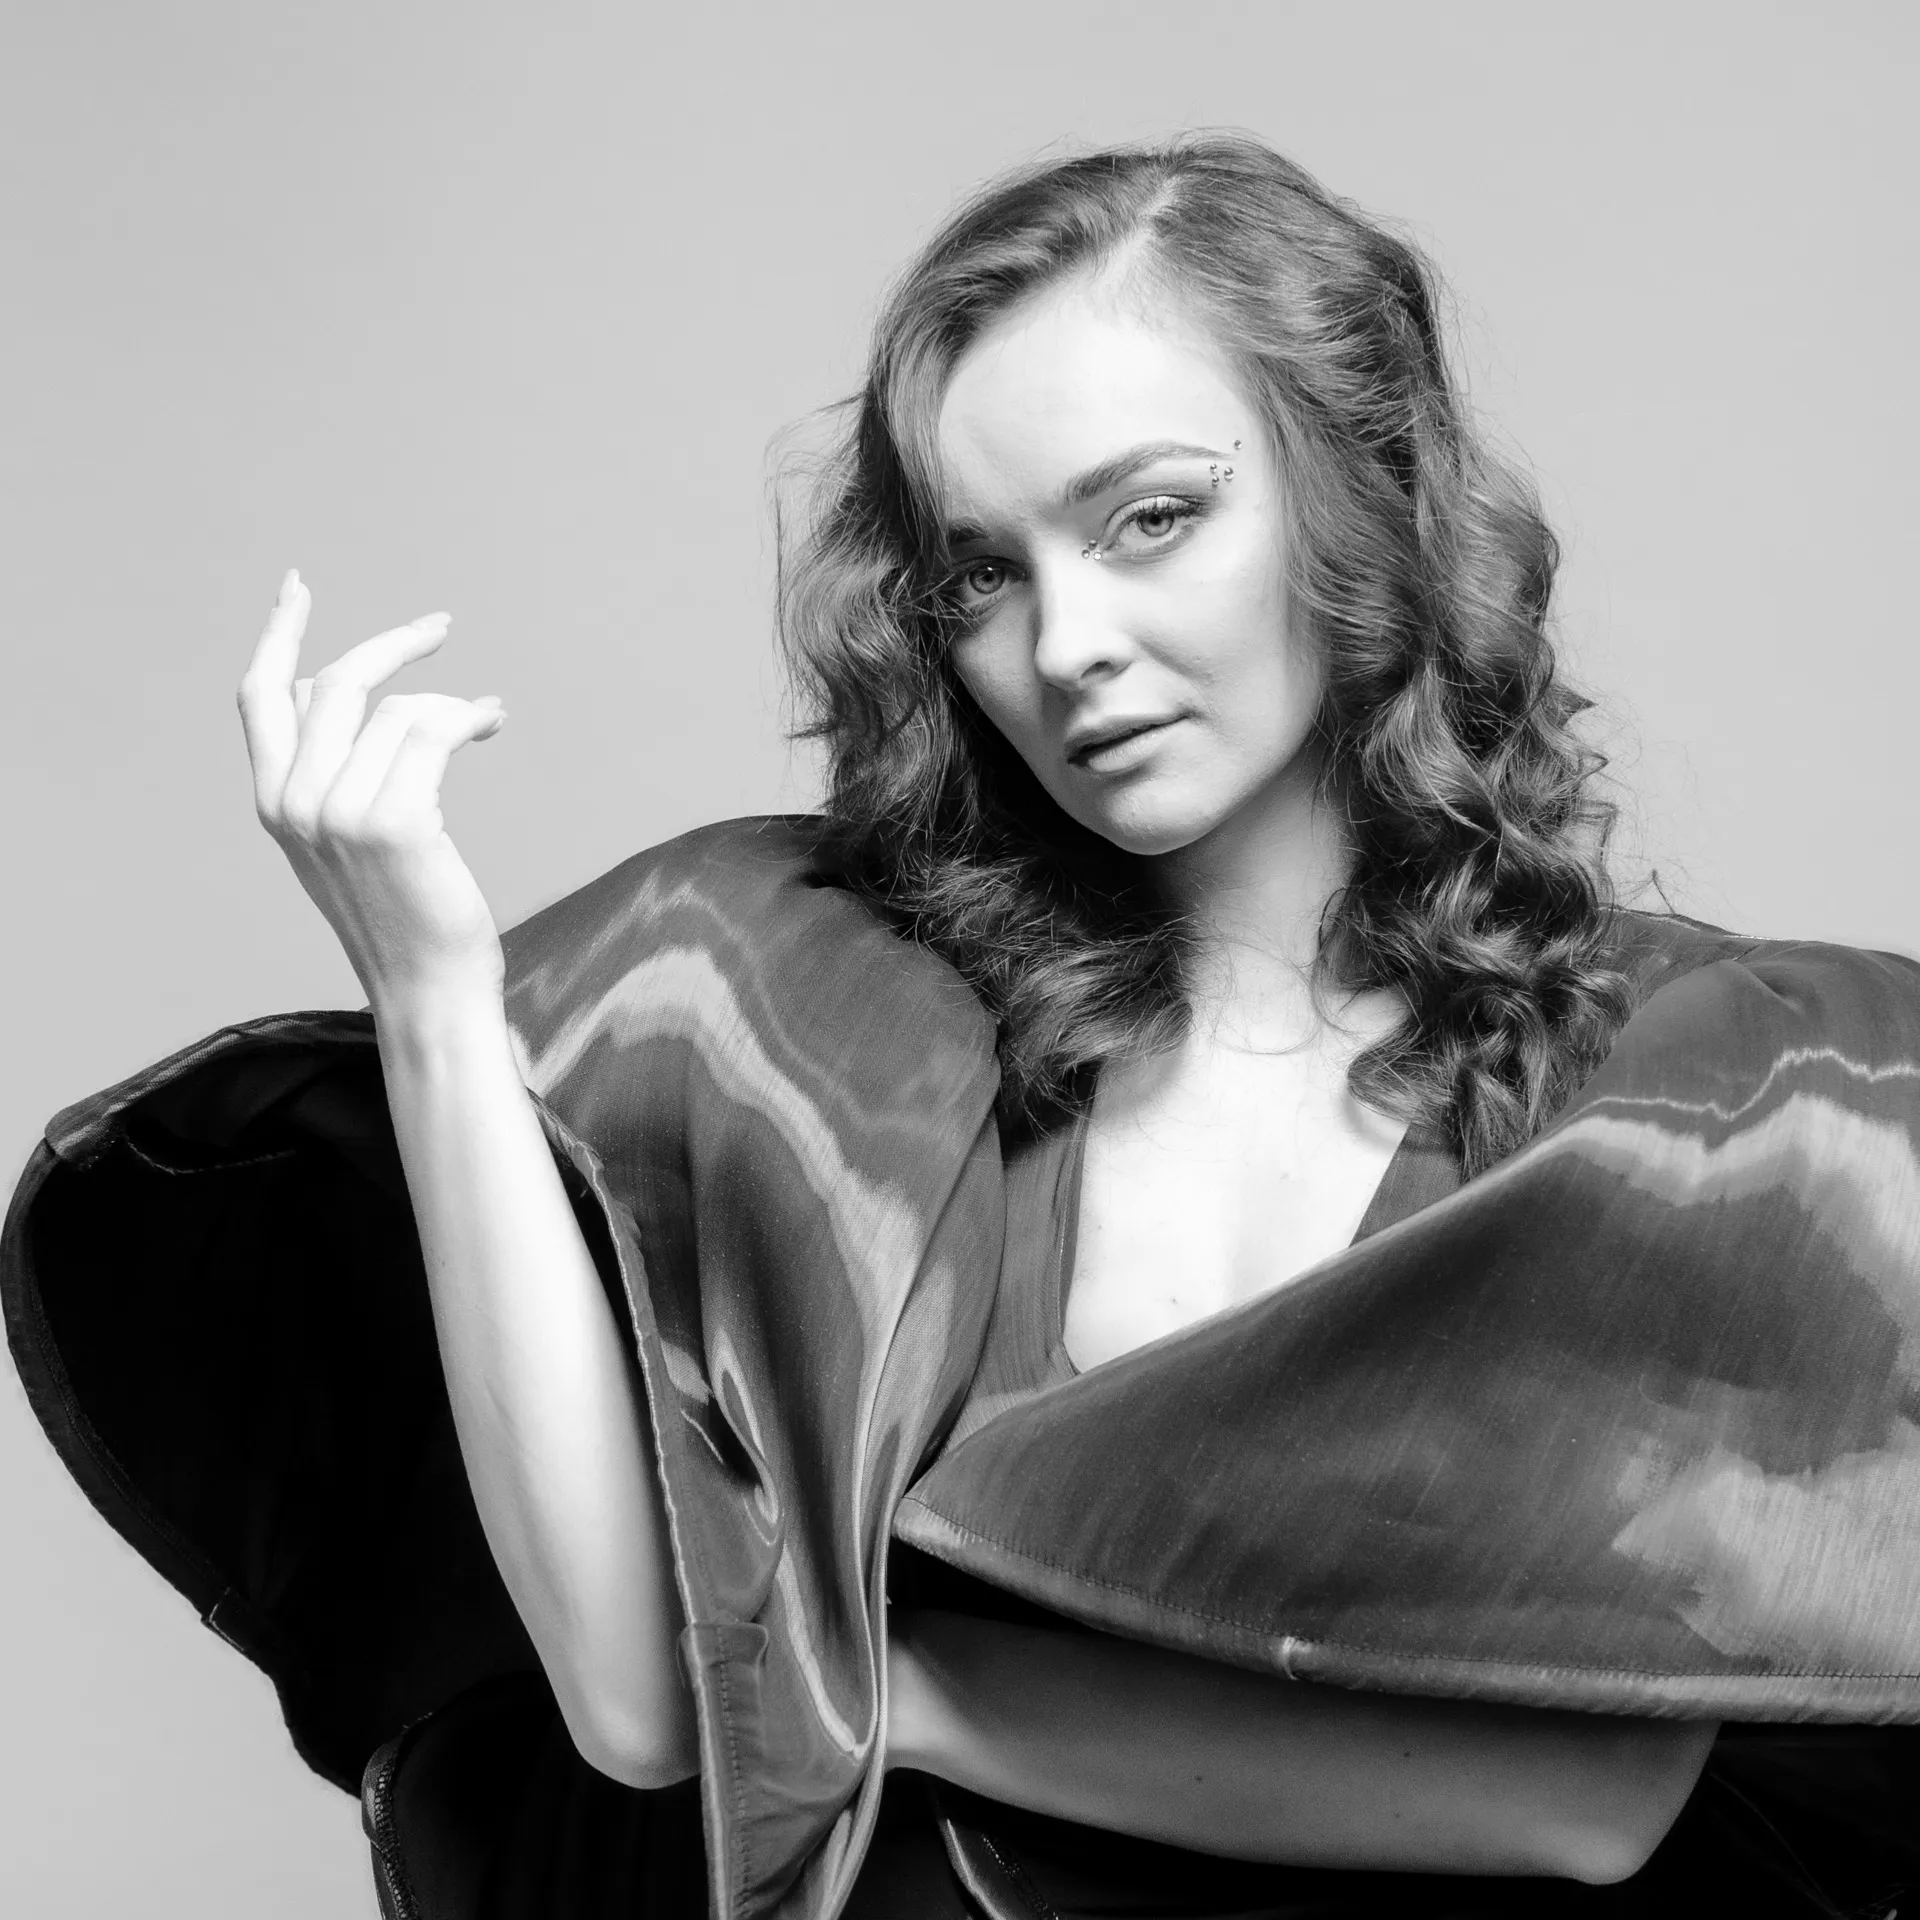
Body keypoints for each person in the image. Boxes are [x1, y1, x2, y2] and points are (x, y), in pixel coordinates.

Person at [8, 133, 1919, 1920]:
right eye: (984, 572)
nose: (1066, 642)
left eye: (1151, 518)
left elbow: (1582, 1798)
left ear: (1370, 494)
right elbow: (646, 1710)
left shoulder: (1711, 1094)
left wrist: (877, 1692)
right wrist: (430, 995)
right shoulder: (812, 1033)